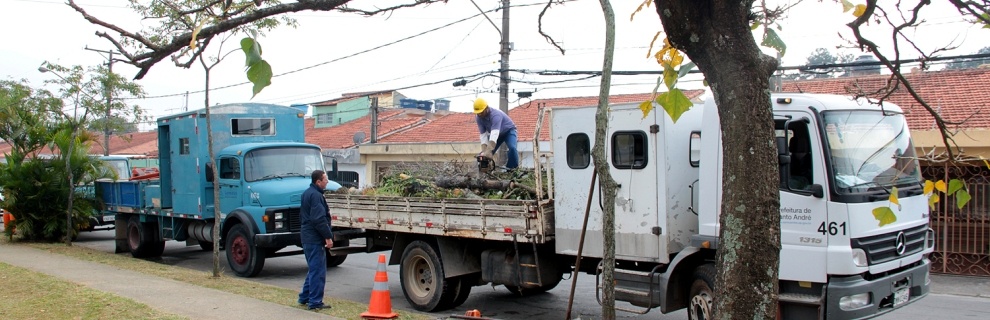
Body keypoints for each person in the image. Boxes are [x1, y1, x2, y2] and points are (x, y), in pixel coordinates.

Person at [298, 170, 334, 311]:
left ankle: (304, 297)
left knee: (313, 269)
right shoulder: (316, 195)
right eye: (325, 179)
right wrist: (328, 237)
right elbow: (319, 219)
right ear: (318, 182)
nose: (327, 182)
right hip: (314, 238)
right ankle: (315, 302)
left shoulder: (307, 193)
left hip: (307, 236)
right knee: (318, 271)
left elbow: (303, 216)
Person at [474, 98, 519, 169]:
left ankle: (512, 169)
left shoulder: (495, 115)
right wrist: (484, 151)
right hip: (496, 134)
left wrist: (488, 150)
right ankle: (487, 169)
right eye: (478, 113)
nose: (480, 114)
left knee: (512, 148)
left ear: (486, 108)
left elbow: (494, 134)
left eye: (481, 112)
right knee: (484, 154)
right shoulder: (478, 118)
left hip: (508, 131)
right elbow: (483, 135)